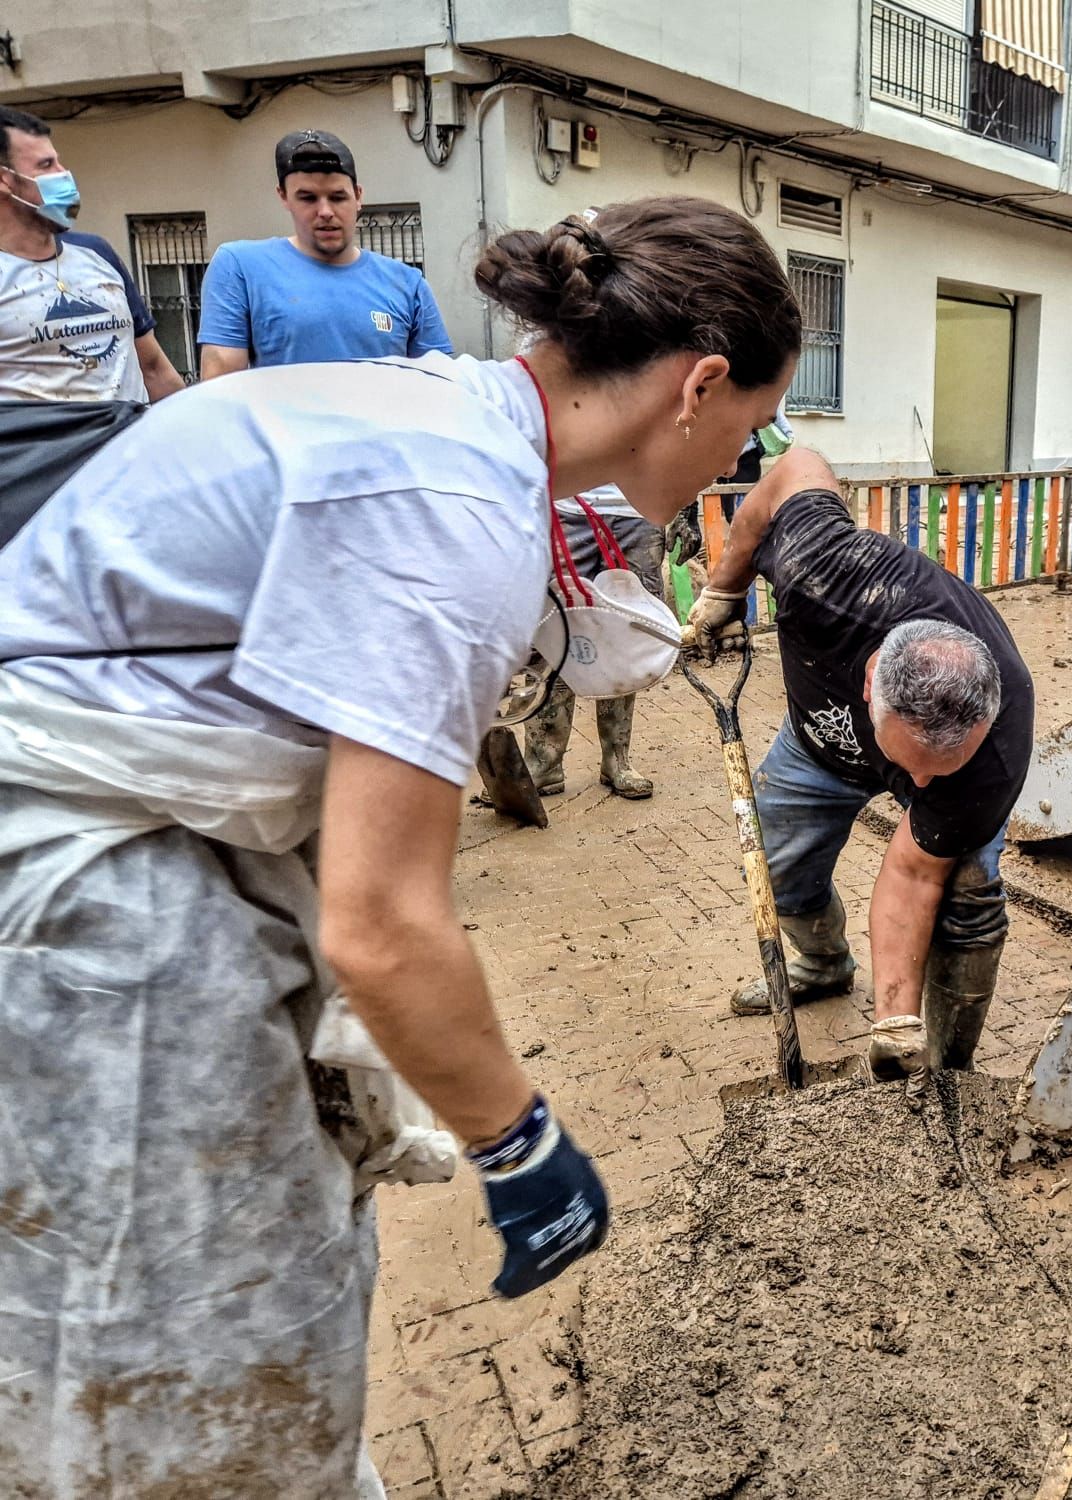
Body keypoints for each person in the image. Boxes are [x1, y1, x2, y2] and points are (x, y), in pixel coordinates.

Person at [0, 195, 799, 1496]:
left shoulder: (444, 414)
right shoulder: (457, 503)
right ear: (699, 383)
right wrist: (521, 1141)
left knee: (254, 1295)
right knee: (186, 1363)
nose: (736, 457)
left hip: (151, 824)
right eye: (745, 424)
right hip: (91, 888)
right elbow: (384, 926)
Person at [685, 448, 1034, 1084]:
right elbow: (795, 466)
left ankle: (946, 1069)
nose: (920, 788)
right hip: (822, 737)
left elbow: (913, 873)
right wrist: (725, 587)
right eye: (916, 767)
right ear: (872, 680)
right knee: (778, 864)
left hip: (930, 756)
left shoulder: (993, 752)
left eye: (940, 769)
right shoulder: (825, 573)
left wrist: (893, 1023)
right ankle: (821, 964)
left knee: (967, 892)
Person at [195, 129, 452, 377]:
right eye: (308, 198)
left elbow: (442, 386)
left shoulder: (407, 284)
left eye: (338, 197)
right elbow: (222, 387)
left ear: (358, 196)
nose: (326, 211)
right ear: (283, 196)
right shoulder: (240, 267)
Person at [0, 105, 183, 403]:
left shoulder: (96, 253)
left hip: (127, 444)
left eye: (59, 162)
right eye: (46, 165)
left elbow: (152, 369)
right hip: (48, 449)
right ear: (4, 180)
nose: (64, 174)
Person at [523, 482, 668, 799]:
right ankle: (542, 762)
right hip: (567, 507)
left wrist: (687, 509)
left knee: (625, 633)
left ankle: (618, 761)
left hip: (639, 510)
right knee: (553, 630)